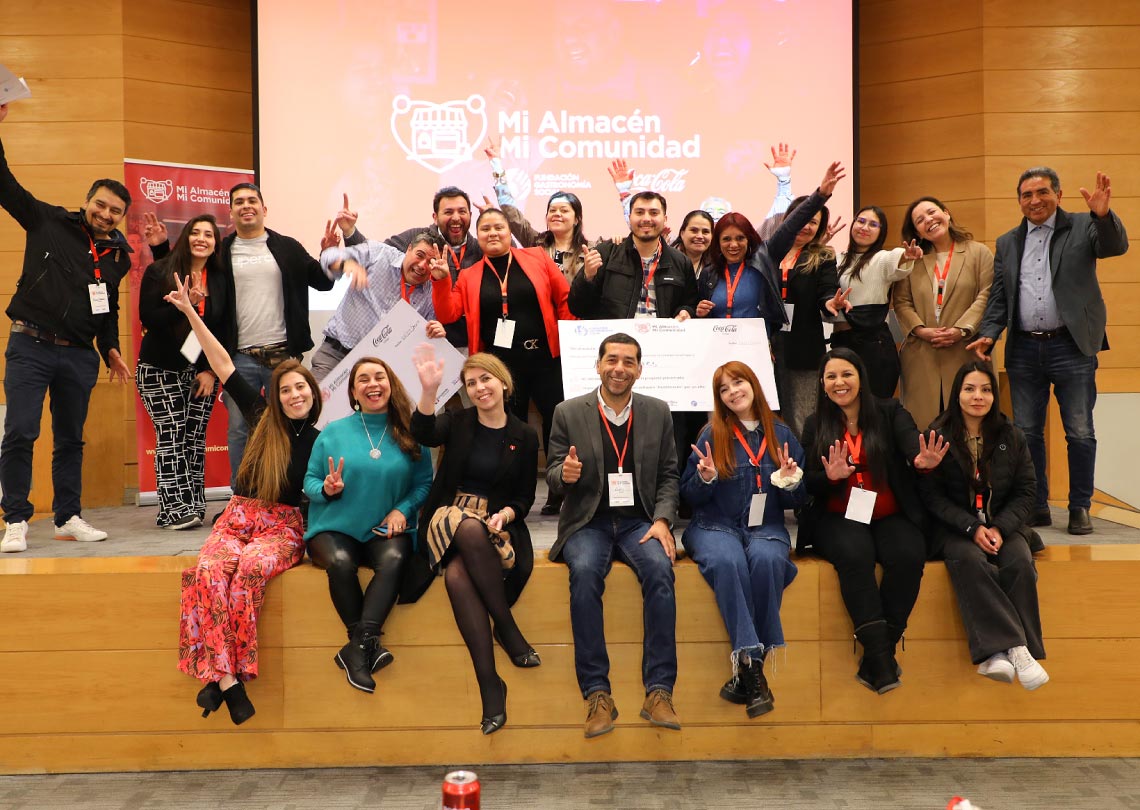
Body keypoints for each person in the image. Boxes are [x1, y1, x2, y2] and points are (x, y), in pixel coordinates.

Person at [165, 274, 321, 726]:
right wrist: (192, 313)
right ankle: (229, 680)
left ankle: (220, 677)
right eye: (286, 389)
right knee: (209, 570)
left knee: (250, 570)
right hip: (236, 518)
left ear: (314, 395)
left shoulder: (322, 441)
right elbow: (219, 359)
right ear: (274, 395)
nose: (294, 395)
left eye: (302, 388)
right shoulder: (259, 416)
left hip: (282, 527)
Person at [0, 103, 133, 552]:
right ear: (87, 201)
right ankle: (16, 519)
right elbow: (5, 184)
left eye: (115, 210)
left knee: (71, 438)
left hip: (78, 354)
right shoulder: (48, 221)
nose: (106, 214)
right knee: (20, 430)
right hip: (30, 345)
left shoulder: (118, 255)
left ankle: (68, 516)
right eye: (101, 204)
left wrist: (110, 347)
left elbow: (108, 306)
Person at [966, 169, 1129, 535]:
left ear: (1058, 192)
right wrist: (989, 334)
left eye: (1042, 192)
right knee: (1026, 432)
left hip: (1071, 345)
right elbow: (999, 298)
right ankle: (1035, 505)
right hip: (1024, 347)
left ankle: (1079, 507)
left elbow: (1114, 246)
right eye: (1026, 194)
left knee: (1079, 430)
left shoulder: (1084, 225)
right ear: (1019, 200)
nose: (1035, 200)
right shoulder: (1008, 242)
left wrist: (1103, 216)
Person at [151, 183, 335, 484]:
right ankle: (241, 496)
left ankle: (292, 493)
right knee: (239, 430)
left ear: (264, 209)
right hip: (238, 359)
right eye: (239, 201)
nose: (246, 205)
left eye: (252, 200)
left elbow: (324, 283)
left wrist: (329, 256)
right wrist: (159, 248)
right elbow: (180, 269)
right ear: (231, 211)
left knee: (293, 424)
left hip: (283, 358)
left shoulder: (287, 247)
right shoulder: (221, 252)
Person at [545, 333, 682, 738]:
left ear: (640, 369)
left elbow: (669, 475)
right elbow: (554, 473)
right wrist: (563, 476)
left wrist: (662, 520)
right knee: (584, 574)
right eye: (612, 360)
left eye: (628, 361)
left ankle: (659, 692)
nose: (619, 368)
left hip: (641, 521)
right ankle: (597, 694)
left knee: (661, 572)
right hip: (589, 521)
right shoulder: (568, 412)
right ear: (598, 365)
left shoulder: (657, 412)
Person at [799, 348, 948, 694]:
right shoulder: (814, 424)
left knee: (909, 554)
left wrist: (921, 461)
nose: (840, 382)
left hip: (889, 513)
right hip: (837, 516)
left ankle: (877, 656)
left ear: (861, 378)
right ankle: (882, 659)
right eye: (831, 377)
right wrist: (830, 476)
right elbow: (806, 482)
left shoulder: (890, 411)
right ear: (822, 385)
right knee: (855, 556)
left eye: (846, 374)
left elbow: (913, 447)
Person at [411, 344, 542, 734]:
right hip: (448, 516)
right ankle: (507, 627)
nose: (479, 388)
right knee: (467, 527)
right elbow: (424, 433)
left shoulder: (525, 434)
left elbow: (524, 496)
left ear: (503, 383)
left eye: (485, 379)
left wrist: (507, 514)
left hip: (496, 524)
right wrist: (430, 391)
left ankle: (490, 686)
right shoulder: (458, 421)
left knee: (457, 577)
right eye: (471, 383)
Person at [680, 361, 804, 718]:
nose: (733, 391)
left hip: (765, 527)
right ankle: (755, 668)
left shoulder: (782, 435)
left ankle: (748, 671)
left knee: (767, 560)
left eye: (738, 382)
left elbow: (798, 501)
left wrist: (790, 480)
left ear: (753, 384)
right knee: (727, 560)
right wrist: (704, 478)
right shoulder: (709, 435)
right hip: (714, 526)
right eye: (724, 389)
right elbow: (690, 495)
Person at [302, 357, 432, 693]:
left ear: (390, 384)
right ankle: (365, 645)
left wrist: (403, 510)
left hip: (385, 527)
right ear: (354, 392)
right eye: (363, 380)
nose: (373, 384)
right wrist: (327, 490)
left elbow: (424, 483)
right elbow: (310, 482)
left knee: (394, 560)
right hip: (335, 527)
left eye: (379, 377)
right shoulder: (333, 432)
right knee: (341, 563)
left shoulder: (411, 431)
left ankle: (356, 649)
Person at [430, 207, 575, 501]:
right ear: (478, 237)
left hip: (546, 358)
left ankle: (558, 492)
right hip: (501, 366)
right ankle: (513, 493)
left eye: (499, 228)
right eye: (485, 229)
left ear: (510, 233)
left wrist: (570, 342)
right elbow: (448, 313)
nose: (493, 233)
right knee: (509, 427)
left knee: (556, 421)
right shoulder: (469, 275)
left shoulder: (537, 258)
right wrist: (442, 280)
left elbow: (564, 299)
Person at [922, 361, 1048, 690]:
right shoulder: (936, 435)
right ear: (957, 394)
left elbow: (1027, 491)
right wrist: (971, 528)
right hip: (955, 530)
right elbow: (932, 498)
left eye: (986, 389)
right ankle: (1018, 649)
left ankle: (999, 654)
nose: (978, 396)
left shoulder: (1011, 434)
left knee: (1020, 561)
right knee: (970, 560)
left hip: (1004, 527)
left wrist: (1000, 528)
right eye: (970, 389)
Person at [136, 214, 228, 530]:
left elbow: (222, 331)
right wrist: (183, 304)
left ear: (216, 243)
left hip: (201, 373)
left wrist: (210, 371)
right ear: (186, 237)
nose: (202, 238)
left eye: (209, 234)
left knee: (193, 439)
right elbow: (148, 317)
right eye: (196, 232)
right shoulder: (161, 272)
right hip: (159, 369)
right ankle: (173, 509)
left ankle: (192, 506)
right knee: (172, 435)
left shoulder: (219, 279)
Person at [892, 197, 993, 431]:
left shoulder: (978, 253)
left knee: (967, 428)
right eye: (920, 220)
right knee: (923, 429)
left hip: (966, 349)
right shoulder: (913, 259)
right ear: (916, 230)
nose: (928, 220)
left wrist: (961, 330)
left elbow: (987, 295)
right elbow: (902, 301)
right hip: (922, 355)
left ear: (946, 214)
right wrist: (921, 330)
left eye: (932, 212)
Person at [311, 231, 447, 379]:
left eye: (430, 262)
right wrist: (346, 263)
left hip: (381, 371)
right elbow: (328, 256)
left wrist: (436, 333)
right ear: (409, 249)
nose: (422, 265)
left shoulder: (431, 291)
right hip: (337, 355)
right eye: (419, 255)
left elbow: (423, 341)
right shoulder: (378, 253)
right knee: (314, 401)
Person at [769, 193, 848, 437]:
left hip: (802, 348)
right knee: (768, 414)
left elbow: (826, 292)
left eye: (813, 222)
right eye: (802, 219)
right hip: (766, 346)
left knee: (801, 417)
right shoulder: (768, 252)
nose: (806, 226)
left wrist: (830, 303)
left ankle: (801, 469)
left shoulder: (823, 256)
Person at [831, 206, 923, 398]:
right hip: (842, 343)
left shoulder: (881, 259)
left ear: (881, 232)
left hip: (874, 347)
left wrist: (906, 256)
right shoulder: (838, 259)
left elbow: (896, 259)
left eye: (873, 224)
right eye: (861, 221)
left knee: (875, 411)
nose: (865, 227)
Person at [567, 191, 698, 321]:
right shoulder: (605, 253)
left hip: (663, 338)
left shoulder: (681, 262)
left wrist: (685, 311)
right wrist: (587, 278)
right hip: (616, 339)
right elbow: (578, 309)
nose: (646, 219)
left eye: (654, 213)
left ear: (665, 219)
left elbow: (689, 303)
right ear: (629, 217)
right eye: (639, 212)